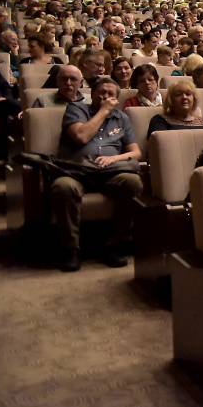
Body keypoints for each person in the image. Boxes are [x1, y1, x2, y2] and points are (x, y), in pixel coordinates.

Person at [51, 77, 143, 271]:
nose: (105, 96)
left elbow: (135, 152)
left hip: (110, 172)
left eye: (111, 94)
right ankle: (71, 249)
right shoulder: (76, 109)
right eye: (101, 92)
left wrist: (114, 159)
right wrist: (103, 111)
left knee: (133, 182)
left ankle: (116, 244)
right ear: (91, 94)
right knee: (63, 187)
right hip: (77, 171)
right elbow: (82, 136)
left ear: (117, 98)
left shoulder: (122, 117)